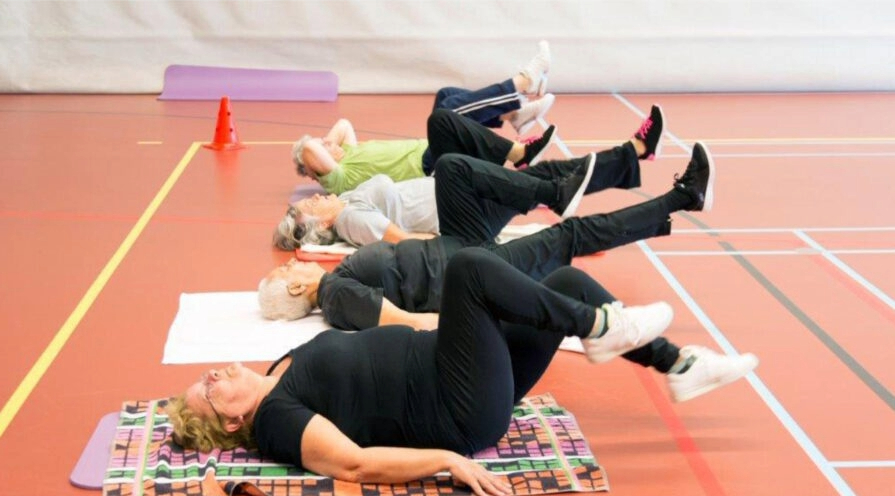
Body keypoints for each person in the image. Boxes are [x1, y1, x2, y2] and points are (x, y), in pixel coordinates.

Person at [169, 247, 716, 493]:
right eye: (207, 391)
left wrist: (446, 324)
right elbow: (355, 463)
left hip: (460, 368)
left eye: (206, 377)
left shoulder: (278, 370)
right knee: (468, 269)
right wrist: (447, 461)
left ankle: (677, 363)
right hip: (458, 406)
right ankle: (601, 326)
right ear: (233, 422)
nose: (211, 376)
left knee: (565, 283)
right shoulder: (276, 420)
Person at [258, 141, 758, 402]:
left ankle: (555, 191)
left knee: (453, 167)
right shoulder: (338, 295)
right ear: (297, 287)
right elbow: (411, 323)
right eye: (283, 276)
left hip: (457, 245)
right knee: (570, 238)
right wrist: (486, 313)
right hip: (470, 270)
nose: (290, 267)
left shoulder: (342, 270)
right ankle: (682, 199)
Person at [274, 105, 663, 249]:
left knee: (445, 122)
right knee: (453, 151)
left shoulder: (347, 198)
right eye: (310, 206)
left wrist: (334, 143)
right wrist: (459, 243)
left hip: (457, 190)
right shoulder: (349, 216)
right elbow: (403, 241)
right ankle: (537, 167)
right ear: (321, 224)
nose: (313, 197)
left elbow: (343, 127)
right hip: (461, 208)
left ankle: (632, 153)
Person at [292, 41, 555, 195]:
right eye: (324, 147)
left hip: (430, 151)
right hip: (431, 169)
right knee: (447, 112)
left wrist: (330, 144)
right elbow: (308, 149)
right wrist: (321, 155)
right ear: (316, 170)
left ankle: (513, 115)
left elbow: (343, 124)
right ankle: (523, 82)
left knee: (446, 96)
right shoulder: (338, 179)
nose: (327, 143)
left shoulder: (348, 152)